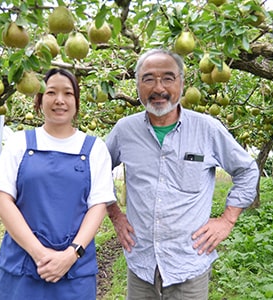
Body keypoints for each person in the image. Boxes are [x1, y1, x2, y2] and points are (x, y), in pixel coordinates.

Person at [105, 49, 259, 299]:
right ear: (137, 86)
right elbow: (97, 171)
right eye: (148, 79)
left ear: (181, 83)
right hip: (141, 265)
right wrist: (115, 214)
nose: (159, 88)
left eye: (168, 78)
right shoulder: (124, 131)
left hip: (188, 265)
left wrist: (227, 220)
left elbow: (246, 170)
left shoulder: (206, 128)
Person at [0, 68, 116, 299]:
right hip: (23, 265)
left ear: (76, 101)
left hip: (75, 270)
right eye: (51, 93)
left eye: (68, 93)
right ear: (39, 100)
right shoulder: (19, 144)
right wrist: (39, 254)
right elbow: (3, 201)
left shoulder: (95, 148)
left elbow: (98, 206)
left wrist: (70, 255)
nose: (59, 100)